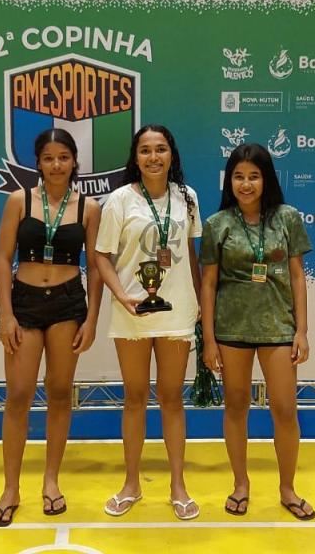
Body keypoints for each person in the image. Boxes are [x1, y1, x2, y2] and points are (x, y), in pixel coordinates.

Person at [0, 129, 103, 526]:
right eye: (49, 158)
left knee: (58, 393)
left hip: (68, 303)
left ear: (74, 162)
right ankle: (10, 488)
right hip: (25, 302)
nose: (56, 165)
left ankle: (51, 481)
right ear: (38, 162)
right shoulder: (18, 201)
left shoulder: (89, 208)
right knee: (19, 395)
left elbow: (96, 268)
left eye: (64, 157)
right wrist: (6, 314)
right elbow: (2, 259)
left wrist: (91, 319)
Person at [199, 143, 315, 520]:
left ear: (266, 180)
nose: (245, 184)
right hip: (231, 328)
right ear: (229, 181)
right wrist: (209, 339)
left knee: (284, 409)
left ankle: (287, 489)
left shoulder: (288, 218)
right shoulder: (217, 224)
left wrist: (302, 330)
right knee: (236, 407)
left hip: (279, 327)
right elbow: (208, 284)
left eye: (253, 176)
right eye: (238, 176)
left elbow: (297, 276)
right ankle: (240, 485)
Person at [94, 124, 203, 520]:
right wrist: (121, 296)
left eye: (160, 149)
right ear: (135, 157)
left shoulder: (188, 197)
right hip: (133, 312)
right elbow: (101, 256)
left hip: (177, 312)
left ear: (171, 154)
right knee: (135, 398)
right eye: (145, 150)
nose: (153, 157)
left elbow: (190, 253)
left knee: (172, 399)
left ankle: (178, 486)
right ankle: (131, 484)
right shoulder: (119, 200)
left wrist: (199, 302)